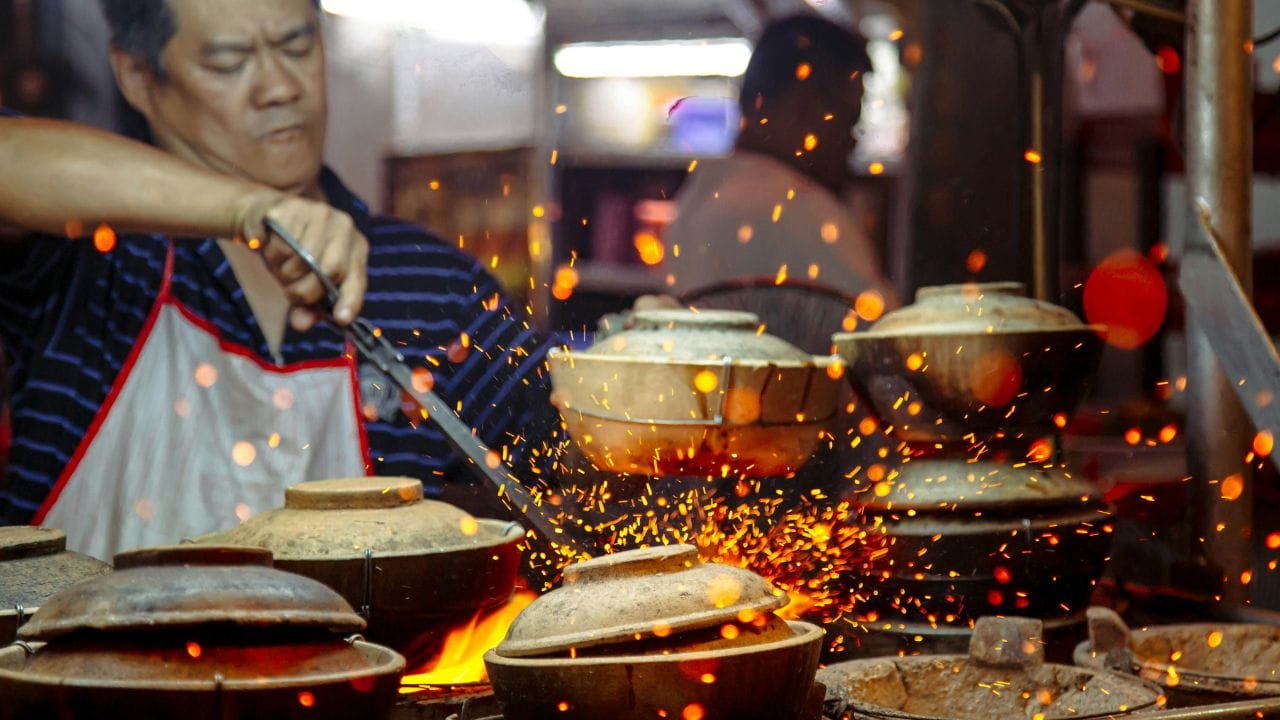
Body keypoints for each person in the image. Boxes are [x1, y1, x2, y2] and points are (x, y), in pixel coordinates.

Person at [0, 0, 560, 559]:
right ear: (137, 76)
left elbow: (569, 446)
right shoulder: (89, 254)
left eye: (297, 47)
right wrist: (254, 211)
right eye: (228, 61)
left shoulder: (429, 284)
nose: (279, 87)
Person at [664, 15, 894, 301]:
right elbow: (887, 336)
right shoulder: (805, 212)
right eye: (847, 118)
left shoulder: (696, 199)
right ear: (803, 107)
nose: (852, 140)